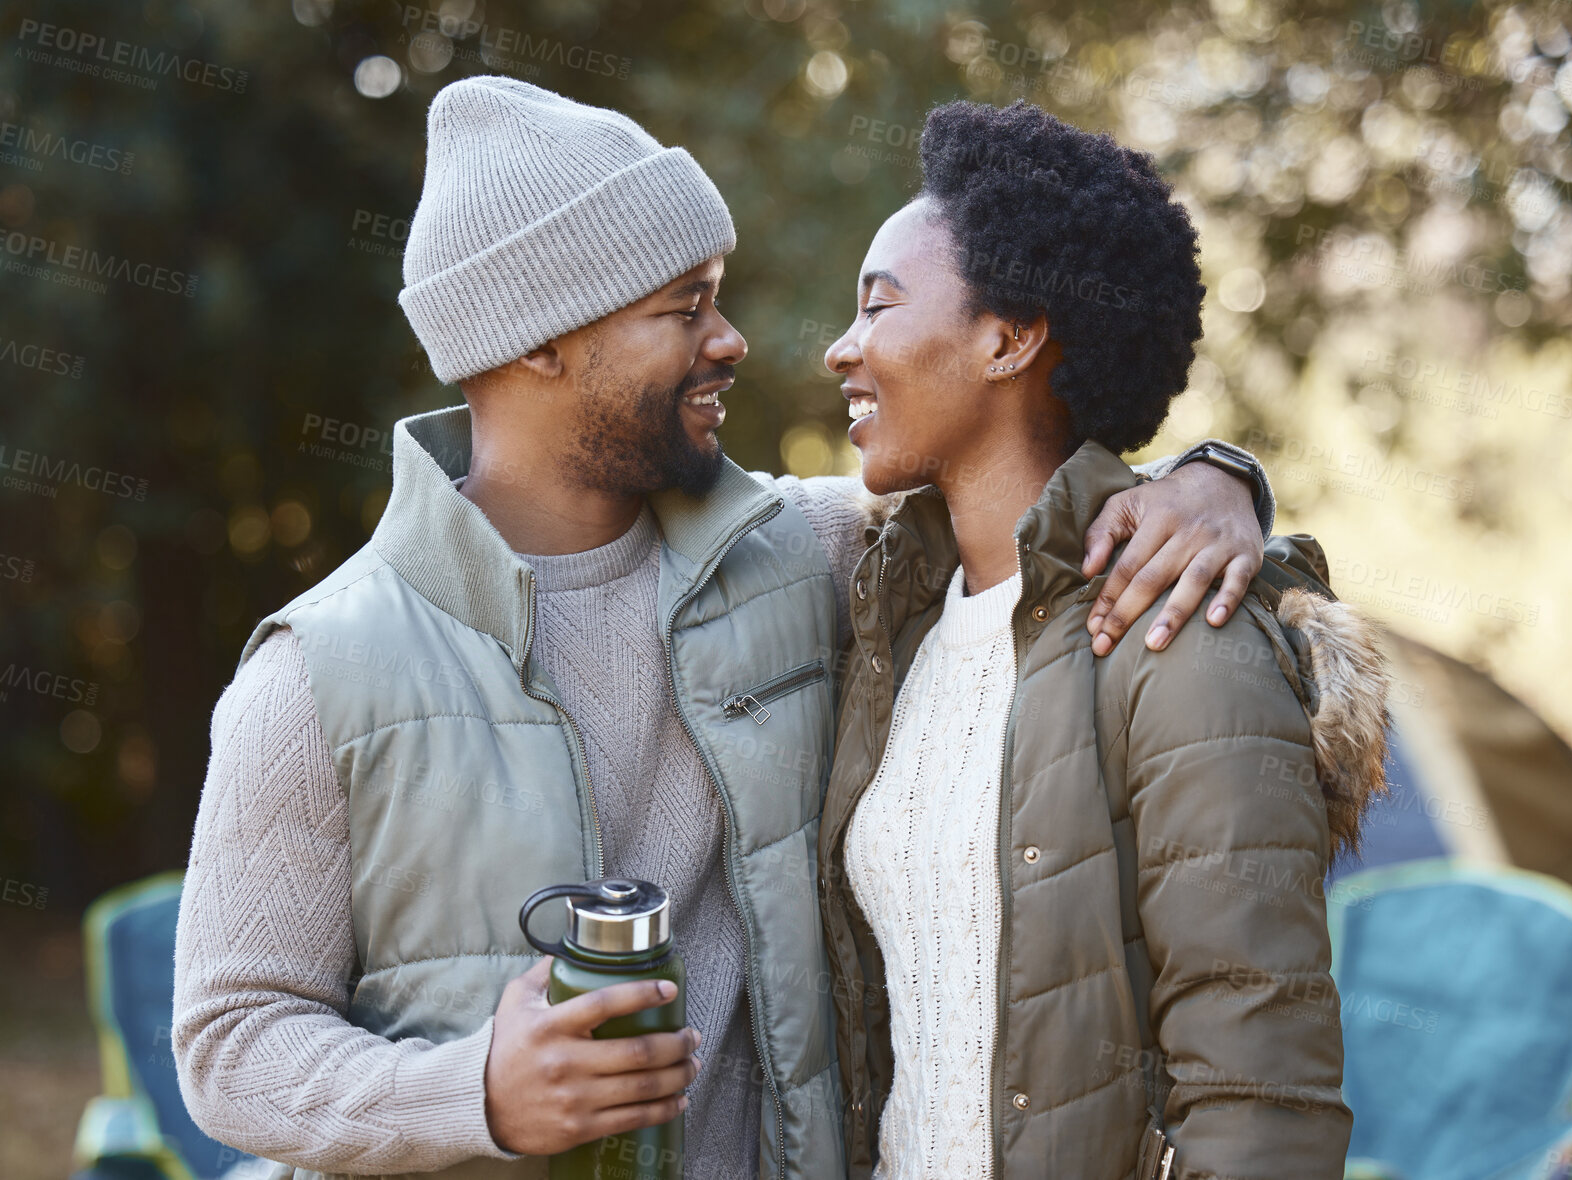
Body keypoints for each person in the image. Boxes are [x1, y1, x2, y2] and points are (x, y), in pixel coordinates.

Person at [171, 78, 1281, 1180]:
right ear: (543, 341)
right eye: (683, 306)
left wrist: (1213, 478)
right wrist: (474, 1094)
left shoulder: (807, 552)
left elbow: (1028, 498)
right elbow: (230, 1044)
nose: (731, 339)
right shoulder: (319, 668)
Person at [817, 99, 1393, 1179]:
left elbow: (1259, 1089)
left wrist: (1225, 482)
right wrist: (1228, 467)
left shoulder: (1181, 634)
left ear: (1009, 337)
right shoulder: (888, 619)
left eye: (878, 307)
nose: (841, 348)